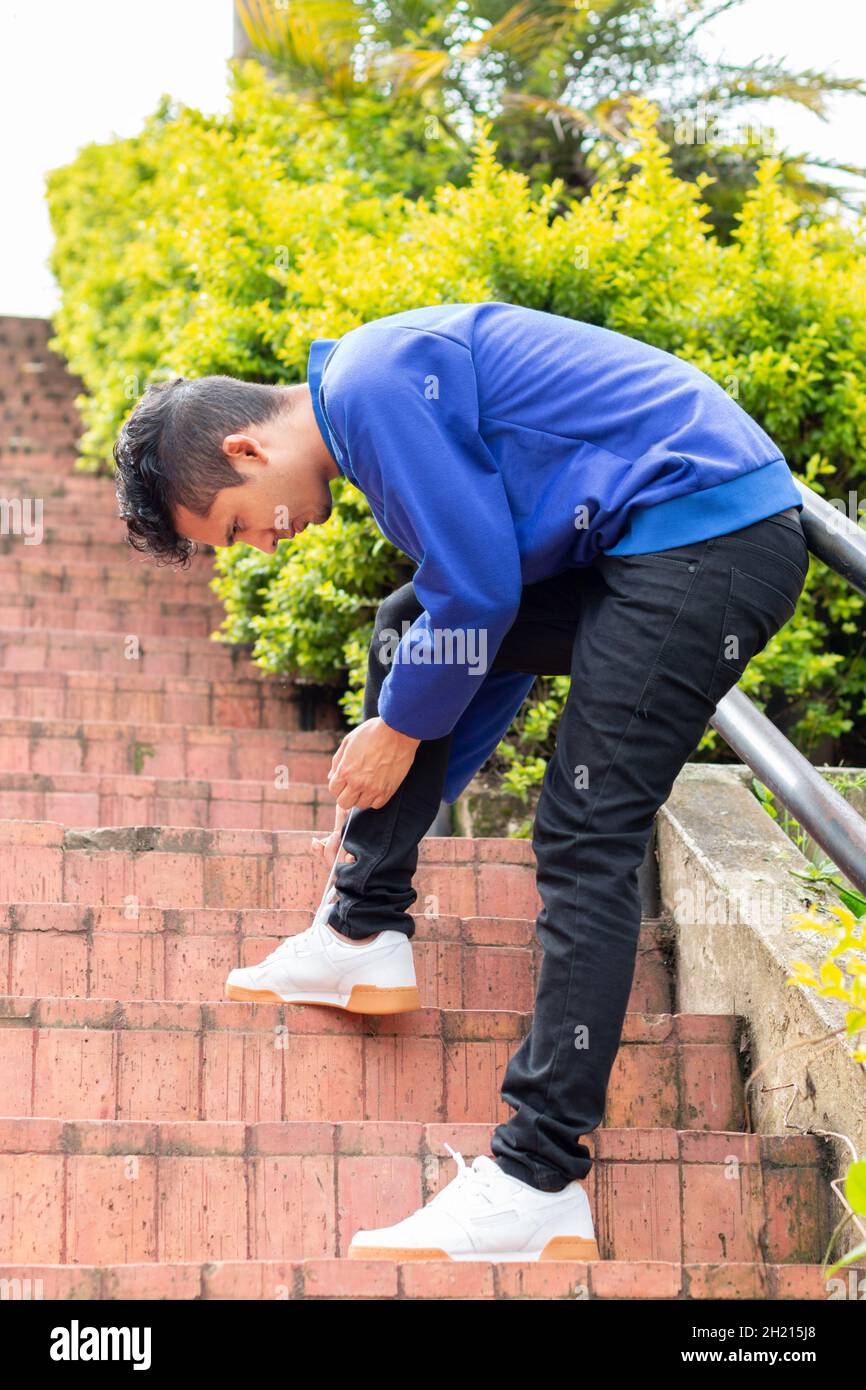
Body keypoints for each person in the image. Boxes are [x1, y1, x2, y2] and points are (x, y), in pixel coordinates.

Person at [113, 301, 809, 1262]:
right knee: (410, 623)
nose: (264, 546)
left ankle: (535, 1177)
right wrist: (413, 740)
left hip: (703, 538)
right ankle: (363, 930)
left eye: (238, 528)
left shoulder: (369, 386)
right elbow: (488, 610)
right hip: (670, 542)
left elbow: (480, 593)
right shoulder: (372, 405)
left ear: (243, 450)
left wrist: (400, 728)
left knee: (584, 831)